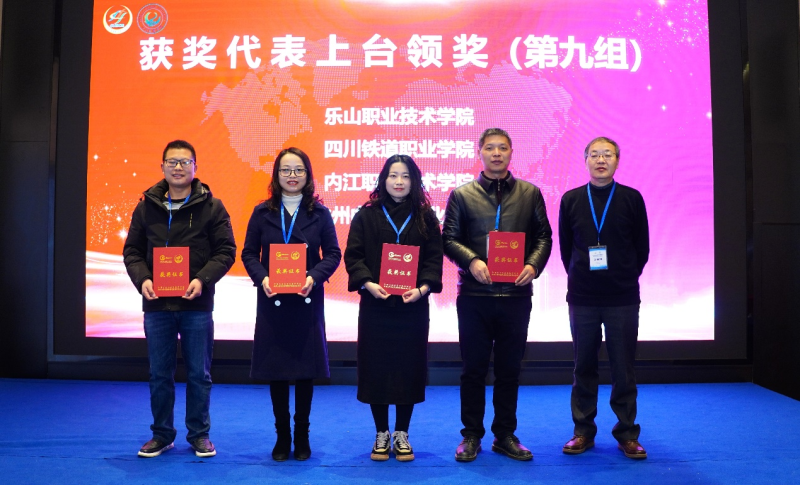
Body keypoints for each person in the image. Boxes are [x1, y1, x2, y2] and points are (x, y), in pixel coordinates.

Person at [442, 128, 552, 462]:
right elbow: (449, 238)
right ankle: (471, 435)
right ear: (480, 153)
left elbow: (544, 237)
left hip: (516, 296)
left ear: (511, 153)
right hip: (475, 296)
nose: (496, 153)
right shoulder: (462, 195)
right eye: (490, 148)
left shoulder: (530, 194)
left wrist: (533, 265)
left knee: (509, 370)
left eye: (503, 148)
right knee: (473, 369)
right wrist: (471, 260)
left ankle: (504, 434)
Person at [123, 139, 236, 458]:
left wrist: (202, 279)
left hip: (196, 304)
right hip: (157, 304)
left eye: (185, 162)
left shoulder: (212, 207)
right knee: (159, 374)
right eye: (172, 162)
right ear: (162, 167)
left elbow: (226, 251)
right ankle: (162, 434)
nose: (178, 167)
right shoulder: (146, 207)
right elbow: (132, 251)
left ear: (195, 167)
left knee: (199, 374)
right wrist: (143, 279)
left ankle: (199, 434)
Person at [241, 147, 341, 461]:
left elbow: (333, 254)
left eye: (298, 170)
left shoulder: (320, 214)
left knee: (305, 370)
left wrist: (314, 276)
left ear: (308, 175)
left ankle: (302, 434)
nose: (292, 176)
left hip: (305, 300)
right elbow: (248, 254)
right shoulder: (262, 213)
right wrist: (262, 278)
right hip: (272, 300)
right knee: (278, 370)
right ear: (276, 175)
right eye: (286, 170)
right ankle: (282, 435)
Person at [344, 154, 443, 462]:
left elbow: (434, 259)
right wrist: (368, 284)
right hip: (377, 307)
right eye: (393, 175)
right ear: (383, 179)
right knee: (377, 368)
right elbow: (354, 256)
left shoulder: (426, 217)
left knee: (407, 369)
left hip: (412, 308)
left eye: (405, 176)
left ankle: (402, 433)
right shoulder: (367, 215)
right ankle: (381, 432)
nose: (399, 182)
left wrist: (423, 288)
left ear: (415, 181)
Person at [558, 136, 649, 459]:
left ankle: (627, 433)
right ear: (585, 160)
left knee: (623, 368)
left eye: (607, 154)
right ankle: (583, 431)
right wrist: (581, 275)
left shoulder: (631, 198)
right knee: (583, 366)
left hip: (622, 297)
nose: (601, 160)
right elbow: (566, 248)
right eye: (594, 155)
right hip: (582, 297)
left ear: (617, 160)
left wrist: (623, 276)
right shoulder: (571, 199)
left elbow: (642, 247)